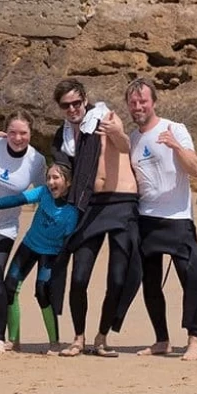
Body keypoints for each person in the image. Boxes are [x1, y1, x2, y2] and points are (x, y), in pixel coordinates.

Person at [51, 79, 142, 358]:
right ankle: (78, 337)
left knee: (117, 277)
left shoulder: (104, 117)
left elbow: (125, 146)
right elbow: (61, 173)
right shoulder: (63, 136)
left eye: (77, 103)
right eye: (66, 105)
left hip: (121, 203)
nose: (73, 109)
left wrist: (115, 131)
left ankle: (101, 337)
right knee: (79, 277)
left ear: (85, 99)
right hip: (88, 205)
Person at [127, 77, 197, 361]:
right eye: (133, 103)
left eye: (143, 101)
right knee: (150, 283)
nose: (138, 107)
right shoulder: (133, 138)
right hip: (146, 218)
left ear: (153, 102)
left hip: (178, 218)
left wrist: (175, 146)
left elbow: (195, 169)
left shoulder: (174, 129)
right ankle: (161, 339)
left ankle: (193, 340)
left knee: (191, 278)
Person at [0, 162, 78, 354]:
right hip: (29, 246)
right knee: (9, 287)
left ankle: (54, 342)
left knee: (42, 292)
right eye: (49, 178)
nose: (51, 182)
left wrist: (58, 271)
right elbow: (15, 200)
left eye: (56, 178)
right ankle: (13, 340)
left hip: (51, 253)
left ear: (68, 182)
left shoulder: (72, 212)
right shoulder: (43, 192)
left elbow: (68, 244)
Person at [0, 110, 46, 354]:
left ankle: (0, 338)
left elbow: (49, 192)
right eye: (12, 132)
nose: (17, 137)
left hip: (4, 228)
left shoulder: (36, 161)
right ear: (4, 131)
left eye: (23, 133)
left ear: (31, 134)